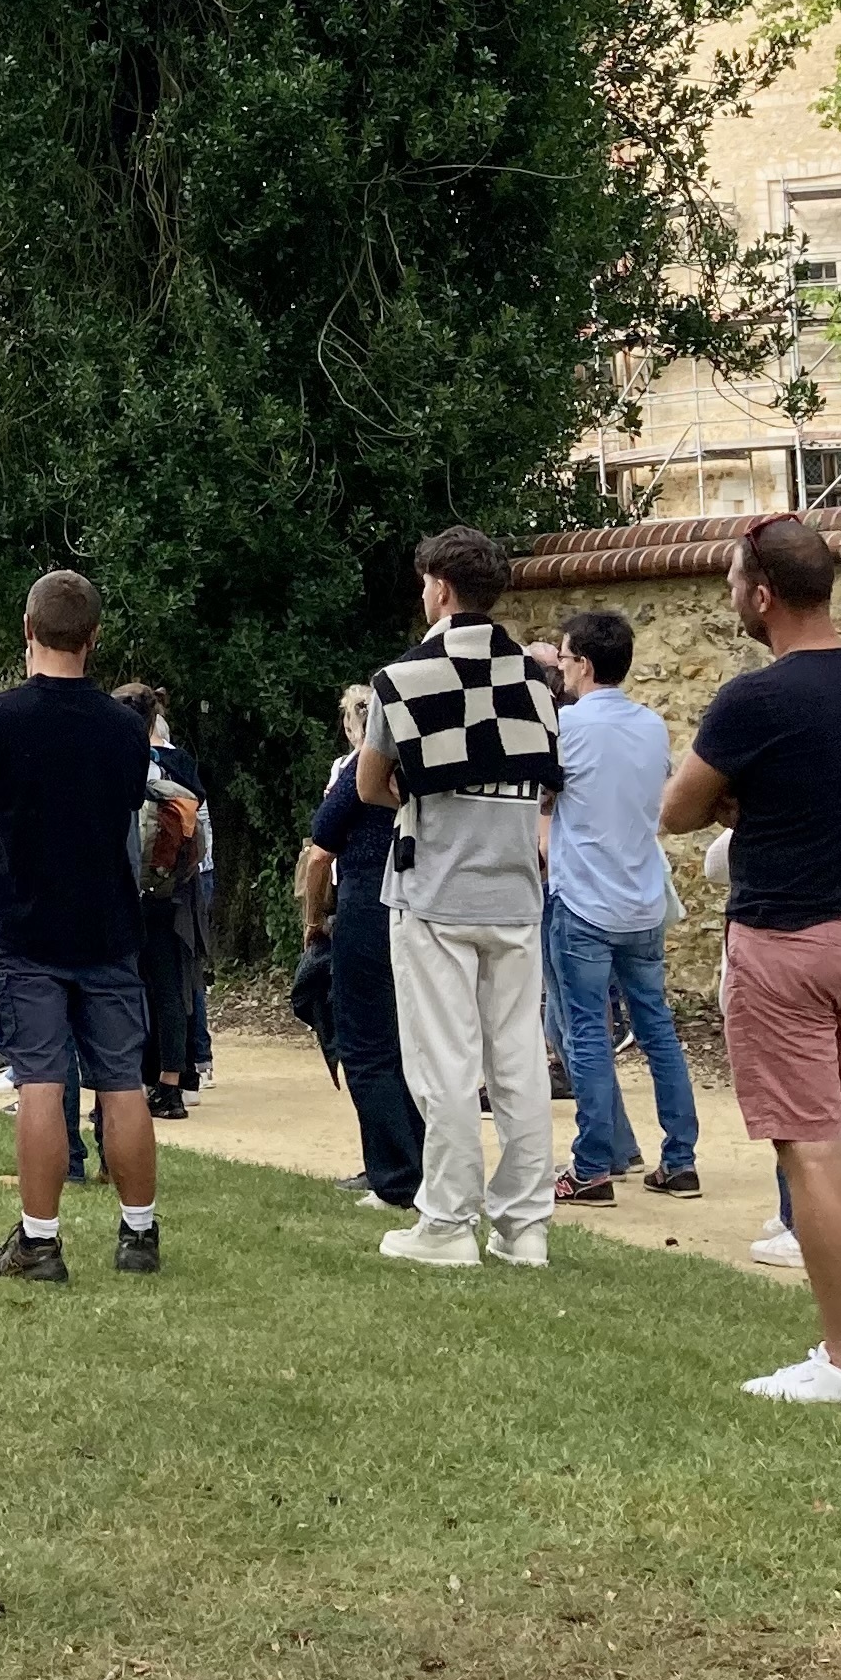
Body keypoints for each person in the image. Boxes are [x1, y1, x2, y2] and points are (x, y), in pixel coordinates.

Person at [661, 512, 841, 1404]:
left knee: (810, 1152)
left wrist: (732, 805)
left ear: (760, 594)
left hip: (783, 941)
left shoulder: (757, 698)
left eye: (732, 588)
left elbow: (677, 809)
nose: (731, 602)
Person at [0, 569, 171, 1280]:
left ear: (28, 629)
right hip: (107, 918)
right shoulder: (122, 727)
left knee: (41, 1081)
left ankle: (40, 1239)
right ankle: (139, 1233)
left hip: (27, 918)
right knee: (121, 1082)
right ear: (94, 636)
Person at [359, 529, 563, 1271]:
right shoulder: (538, 679)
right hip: (513, 887)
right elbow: (545, 777)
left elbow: (368, 786)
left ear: (439, 587)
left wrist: (424, 797)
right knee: (518, 1062)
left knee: (444, 1062)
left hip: (436, 885)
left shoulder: (403, 679)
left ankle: (446, 1220)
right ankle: (525, 1224)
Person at [540, 609, 700, 1203]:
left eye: (563, 659)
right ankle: (679, 1158)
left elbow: (546, 791)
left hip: (583, 899)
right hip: (642, 898)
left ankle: (593, 1164)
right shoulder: (651, 725)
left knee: (586, 1033)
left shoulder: (568, 726)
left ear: (581, 663)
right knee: (656, 1027)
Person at [298, 684, 423, 1212]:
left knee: (367, 1043)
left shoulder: (357, 774)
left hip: (369, 902)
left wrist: (314, 920)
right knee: (413, 1041)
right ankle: (422, 1163)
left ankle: (392, 1175)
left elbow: (320, 851)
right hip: (421, 903)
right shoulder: (428, 765)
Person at [114, 685, 214, 1120]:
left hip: (124, 894)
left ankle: (131, 1078)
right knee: (171, 990)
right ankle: (172, 1086)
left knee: (125, 988)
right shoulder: (180, 766)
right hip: (173, 894)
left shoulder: (114, 767)